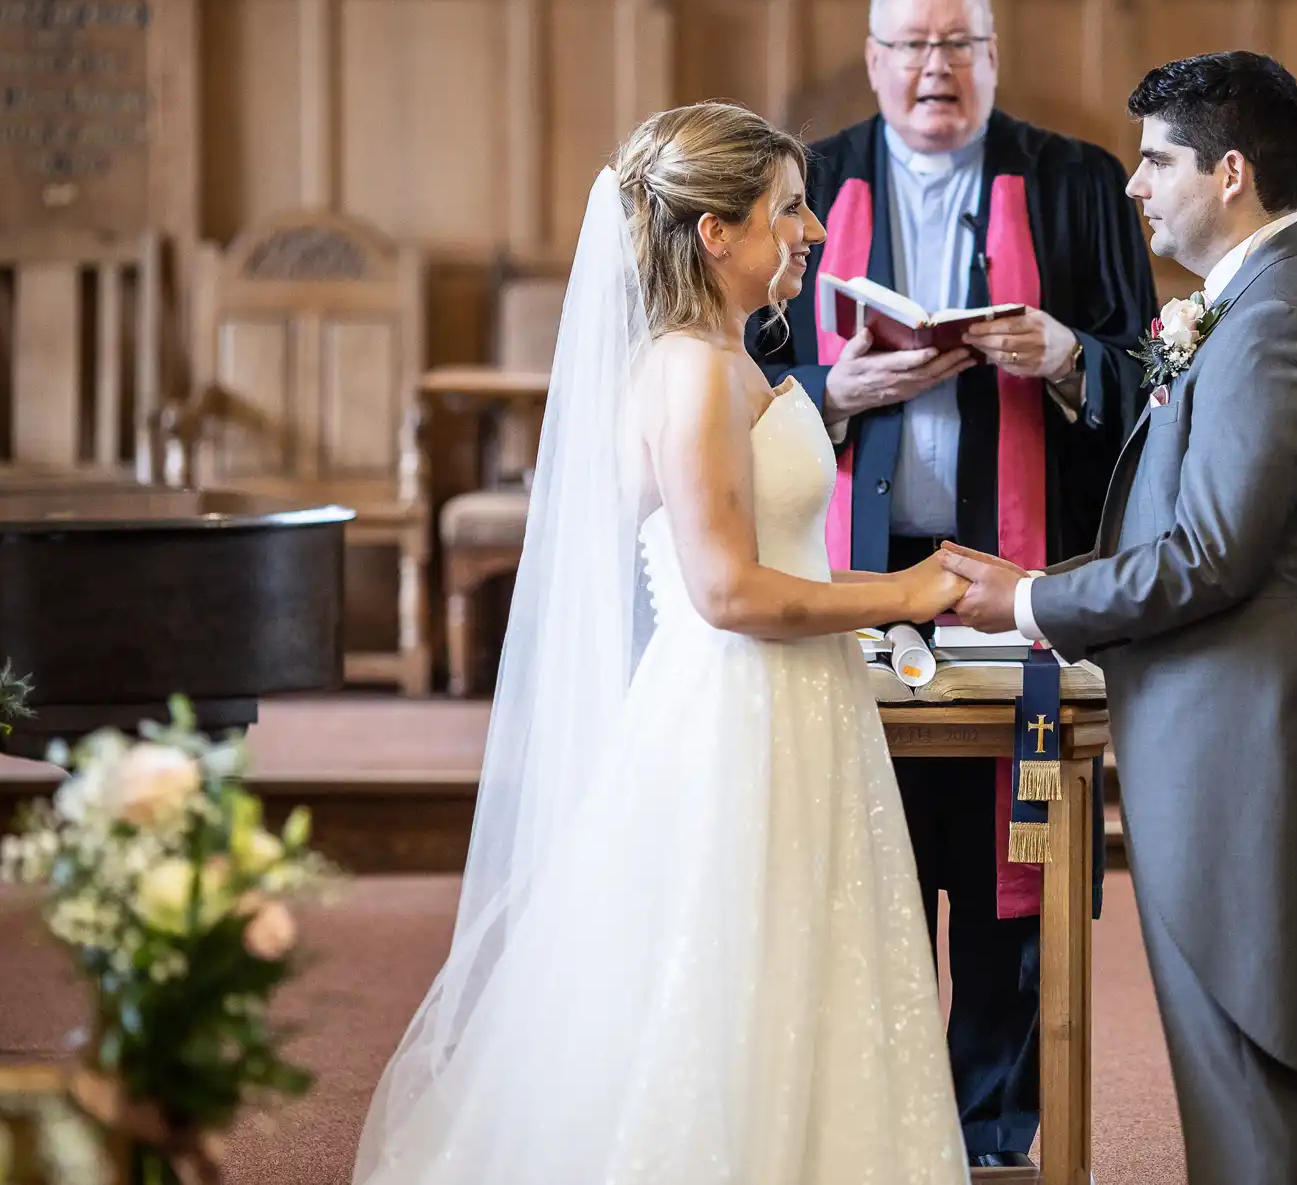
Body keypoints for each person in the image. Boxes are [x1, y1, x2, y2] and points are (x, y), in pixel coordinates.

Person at [352, 103, 973, 1185]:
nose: (815, 232)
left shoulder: (725, 359)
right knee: (728, 980)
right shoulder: (686, 370)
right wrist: (906, 591)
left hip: (793, 705)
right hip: (737, 713)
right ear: (714, 234)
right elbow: (725, 590)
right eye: (788, 208)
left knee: (799, 978)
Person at [941, 51, 1297, 1184]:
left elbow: (1207, 555)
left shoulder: (1273, 319)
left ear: (1230, 171)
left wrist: (1032, 597)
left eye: (1155, 162)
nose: (1134, 187)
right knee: (1230, 1087)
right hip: (1224, 734)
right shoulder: (1252, 301)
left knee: (1251, 1094)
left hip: (1248, 747)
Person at [751, 0, 1154, 1169]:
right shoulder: (809, 183)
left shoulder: (1076, 184)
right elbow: (734, 371)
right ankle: (874, 1131)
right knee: (870, 853)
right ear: (871, 59)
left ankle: (992, 1134)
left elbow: (1153, 381)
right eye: (910, 46)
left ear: (993, 55)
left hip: (1019, 575)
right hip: (849, 570)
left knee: (1006, 870)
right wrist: (837, 388)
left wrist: (1069, 354)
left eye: (958, 45)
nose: (934, 68)